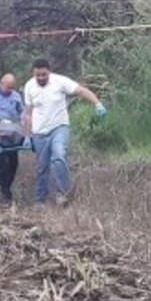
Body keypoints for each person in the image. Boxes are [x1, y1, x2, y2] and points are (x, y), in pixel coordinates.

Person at [23, 58, 108, 206]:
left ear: (49, 71)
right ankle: (40, 199)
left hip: (59, 127)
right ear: (33, 73)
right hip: (39, 132)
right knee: (42, 166)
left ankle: (64, 194)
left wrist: (97, 103)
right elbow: (28, 113)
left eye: (44, 74)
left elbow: (81, 90)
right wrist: (27, 135)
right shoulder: (29, 86)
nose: (41, 78)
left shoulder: (60, 81)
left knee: (59, 156)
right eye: (38, 75)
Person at [0, 73, 27, 203]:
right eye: (8, 88)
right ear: (1, 83)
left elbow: (22, 113)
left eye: (12, 88)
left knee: (13, 161)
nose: (10, 91)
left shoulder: (15, 96)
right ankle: (4, 188)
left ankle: (7, 185)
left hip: (11, 131)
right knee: (1, 159)